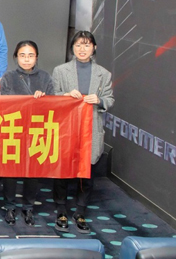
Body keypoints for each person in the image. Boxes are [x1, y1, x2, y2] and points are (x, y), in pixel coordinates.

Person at [51, 30, 114, 234]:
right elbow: (52, 96)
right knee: (62, 170)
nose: (82, 49)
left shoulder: (104, 74)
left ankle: (80, 211)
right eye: (78, 45)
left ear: (94, 48)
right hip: (66, 128)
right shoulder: (60, 71)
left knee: (86, 173)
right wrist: (65, 95)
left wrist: (100, 100)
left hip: (91, 128)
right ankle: (61, 209)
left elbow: (109, 99)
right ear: (72, 48)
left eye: (86, 45)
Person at [0, 40, 54, 226]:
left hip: (36, 129)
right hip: (13, 129)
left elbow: (54, 104)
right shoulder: (8, 77)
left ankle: (28, 207)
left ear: (36, 57)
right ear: (16, 57)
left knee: (32, 170)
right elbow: (3, 104)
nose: (26, 59)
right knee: (11, 170)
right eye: (22, 55)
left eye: (31, 55)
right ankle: (9, 206)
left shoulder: (45, 78)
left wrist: (43, 100)